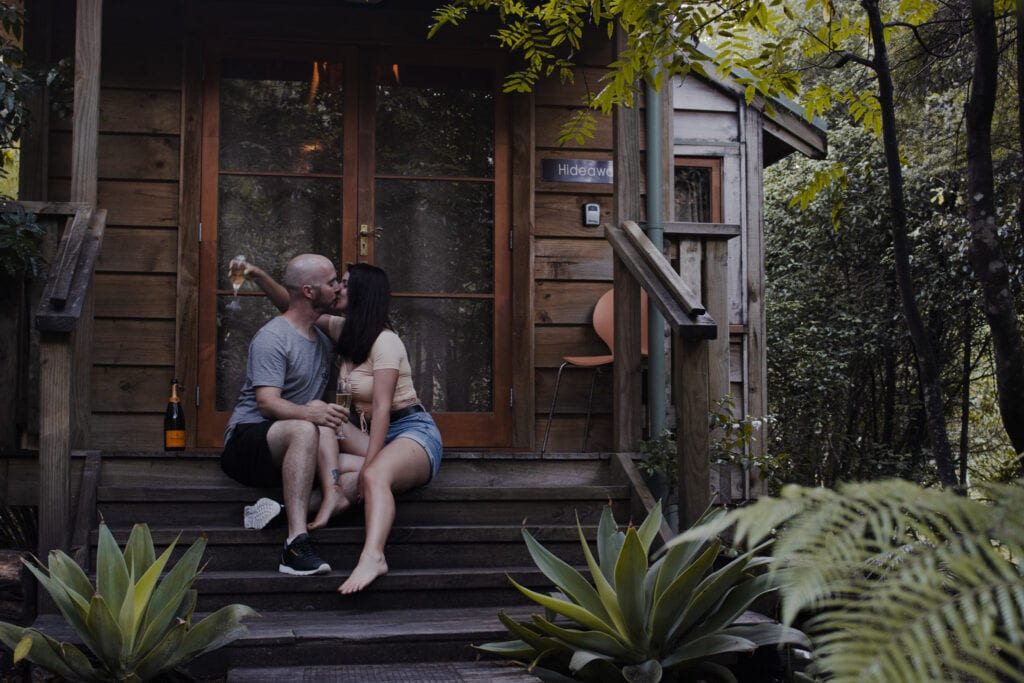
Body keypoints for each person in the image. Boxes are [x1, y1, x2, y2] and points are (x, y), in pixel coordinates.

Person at [242, 259, 443, 594]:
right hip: (368, 434)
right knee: (321, 418)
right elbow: (292, 306)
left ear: (362, 292)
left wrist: (371, 466)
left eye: (345, 283)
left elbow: (381, 409)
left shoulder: (386, 341)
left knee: (372, 475)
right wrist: (260, 276)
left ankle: (373, 556)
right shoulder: (344, 331)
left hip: (411, 432)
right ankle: (321, 499)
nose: (337, 288)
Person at [220, 253, 361, 576]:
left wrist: (257, 273)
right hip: (247, 442)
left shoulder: (322, 335)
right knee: (304, 427)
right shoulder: (272, 338)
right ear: (310, 292)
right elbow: (267, 404)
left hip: (298, 449)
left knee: (370, 472)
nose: (338, 287)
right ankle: (295, 544)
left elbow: (290, 298)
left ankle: (278, 511)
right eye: (332, 282)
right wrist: (313, 414)